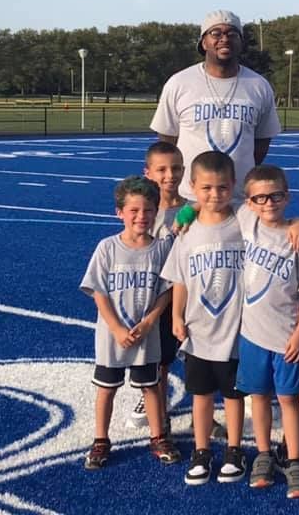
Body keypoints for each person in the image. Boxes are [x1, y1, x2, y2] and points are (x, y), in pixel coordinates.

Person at [80, 176, 180, 470]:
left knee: (150, 387)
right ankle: (100, 440)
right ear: (119, 212)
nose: (141, 217)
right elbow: (98, 291)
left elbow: (167, 290)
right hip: (113, 336)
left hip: (146, 334)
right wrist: (116, 328)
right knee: (107, 388)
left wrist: (150, 322)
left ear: (156, 212)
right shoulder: (107, 247)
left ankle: (158, 435)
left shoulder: (160, 249)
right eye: (133, 210)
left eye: (148, 210)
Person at [160, 151, 246, 486]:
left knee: (235, 395)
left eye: (222, 188)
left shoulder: (243, 222)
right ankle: (201, 450)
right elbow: (180, 279)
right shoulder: (187, 232)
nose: (214, 195)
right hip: (198, 328)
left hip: (235, 328)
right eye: (206, 188)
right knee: (201, 395)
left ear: (233, 185)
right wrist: (177, 316)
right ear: (193, 187)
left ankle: (235, 449)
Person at [234, 165, 299, 498]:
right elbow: (207, 199)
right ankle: (264, 454)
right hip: (252, 334)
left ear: (287, 197)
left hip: (287, 336)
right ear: (250, 202)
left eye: (276, 196)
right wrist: (182, 214)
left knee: (289, 400)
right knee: (260, 398)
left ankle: (294, 459)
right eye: (260, 197)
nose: (268, 202)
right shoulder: (246, 220)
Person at [151, 9, 281, 203]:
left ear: (241, 42)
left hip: (240, 197)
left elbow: (260, 145)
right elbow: (168, 141)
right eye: (216, 33)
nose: (224, 38)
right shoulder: (179, 83)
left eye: (232, 33)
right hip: (189, 197)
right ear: (204, 42)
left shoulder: (259, 85)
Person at [127, 141, 185, 433]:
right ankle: (159, 414)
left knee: (196, 356)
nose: (169, 175)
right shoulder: (143, 212)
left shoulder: (194, 208)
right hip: (156, 297)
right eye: (161, 169)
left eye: (175, 168)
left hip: (188, 297)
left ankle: (202, 411)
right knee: (158, 360)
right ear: (147, 172)